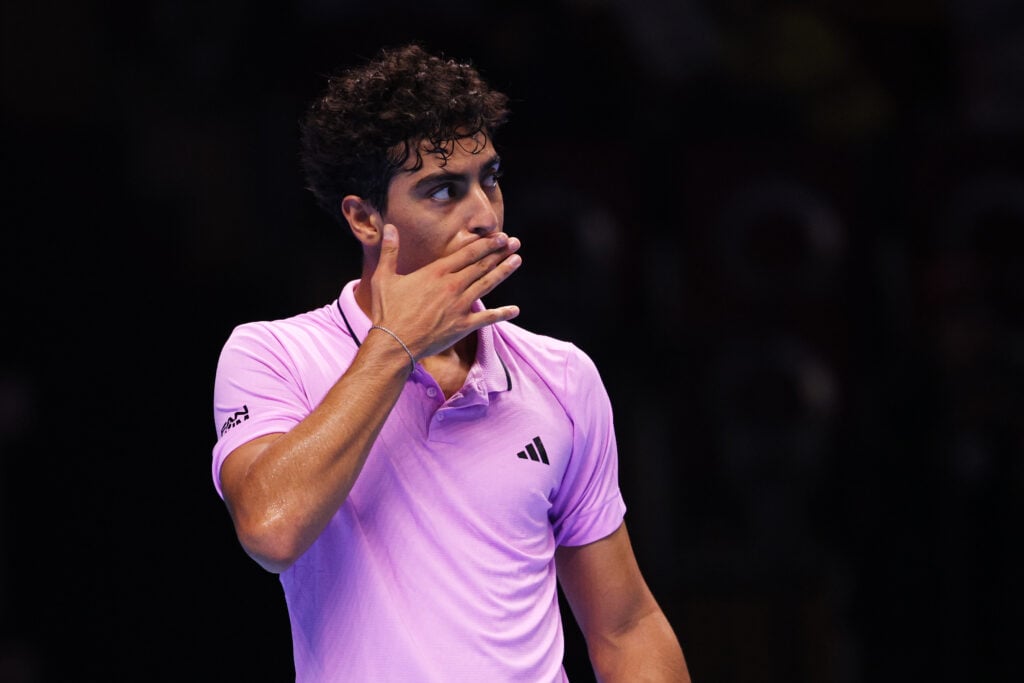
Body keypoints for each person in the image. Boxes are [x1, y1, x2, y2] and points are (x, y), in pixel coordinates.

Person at [211, 42, 691, 682]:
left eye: (489, 179)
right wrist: (394, 346)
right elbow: (272, 531)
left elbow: (625, 627)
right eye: (443, 190)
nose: (485, 216)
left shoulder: (563, 376)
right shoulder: (273, 355)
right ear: (365, 218)